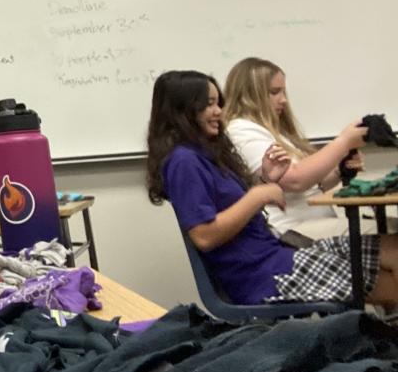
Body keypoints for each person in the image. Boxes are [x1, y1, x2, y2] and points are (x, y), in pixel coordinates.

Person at [146, 70, 398, 306]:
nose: (219, 112)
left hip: (277, 255)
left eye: (218, 103)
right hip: (265, 275)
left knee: (393, 249)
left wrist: (267, 181)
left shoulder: (204, 155)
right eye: (209, 104)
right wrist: (258, 195)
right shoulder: (183, 161)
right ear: (183, 110)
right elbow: (204, 236)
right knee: (390, 286)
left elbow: (236, 208)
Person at [223, 57, 365, 241]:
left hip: (310, 227)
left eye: (283, 92)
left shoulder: (276, 133)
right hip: (290, 232)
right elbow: (295, 181)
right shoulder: (241, 131)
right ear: (250, 95)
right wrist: (343, 142)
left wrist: (340, 170)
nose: (284, 100)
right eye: (274, 92)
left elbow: (314, 186)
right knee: (387, 237)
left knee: (389, 229)